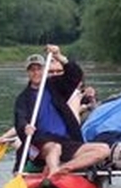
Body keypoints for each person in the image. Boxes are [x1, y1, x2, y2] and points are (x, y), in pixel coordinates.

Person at [12, 45, 110, 178]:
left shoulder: (55, 86)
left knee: (103, 149)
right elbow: (20, 118)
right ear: (28, 73)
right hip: (41, 143)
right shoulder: (23, 98)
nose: (36, 73)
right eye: (32, 70)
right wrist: (25, 127)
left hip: (66, 141)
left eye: (39, 69)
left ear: (44, 70)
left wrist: (59, 56)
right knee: (54, 148)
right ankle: (53, 172)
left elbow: (75, 75)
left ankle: (63, 169)